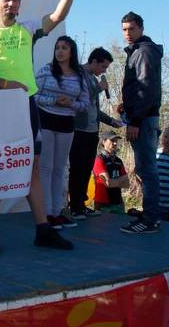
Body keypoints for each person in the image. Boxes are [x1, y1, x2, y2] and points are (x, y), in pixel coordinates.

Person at [0, 0, 87, 255]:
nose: (11, 3)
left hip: (27, 107)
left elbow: (57, 16)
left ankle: (43, 230)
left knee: (32, 168)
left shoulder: (27, 28)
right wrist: (4, 83)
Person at [34, 35, 89, 229]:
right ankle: (46, 213)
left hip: (67, 124)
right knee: (46, 168)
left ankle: (57, 212)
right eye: (57, 47)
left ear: (71, 52)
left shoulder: (80, 76)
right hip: (46, 122)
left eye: (64, 48)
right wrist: (54, 101)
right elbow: (34, 96)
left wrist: (71, 103)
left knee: (60, 169)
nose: (60, 51)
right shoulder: (45, 71)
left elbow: (85, 104)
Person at [118, 11, 163, 234]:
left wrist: (135, 119)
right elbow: (138, 88)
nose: (127, 33)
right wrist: (126, 106)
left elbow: (146, 88)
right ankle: (151, 215)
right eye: (124, 29)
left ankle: (150, 219)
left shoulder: (143, 51)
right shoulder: (137, 51)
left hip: (143, 119)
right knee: (145, 168)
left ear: (141, 29)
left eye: (131, 29)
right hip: (140, 116)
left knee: (147, 169)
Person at [68, 46, 122, 220]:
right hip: (79, 129)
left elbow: (94, 109)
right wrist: (98, 89)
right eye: (103, 67)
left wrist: (111, 121)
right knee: (77, 168)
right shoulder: (77, 73)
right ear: (94, 61)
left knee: (86, 169)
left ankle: (82, 204)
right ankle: (74, 206)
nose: (103, 71)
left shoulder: (92, 78)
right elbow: (76, 97)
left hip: (92, 130)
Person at [93, 131, 129, 214]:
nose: (115, 143)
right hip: (103, 204)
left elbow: (127, 183)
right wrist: (120, 180)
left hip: (118, 202)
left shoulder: (118, 161)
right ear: (104, 142)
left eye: (116, 141)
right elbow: (107, 183)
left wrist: (114, 181)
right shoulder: (99, 160)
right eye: (112, 140)